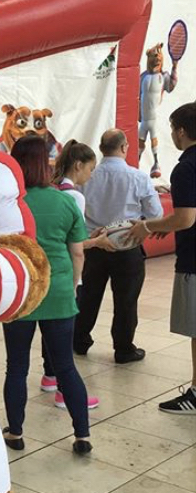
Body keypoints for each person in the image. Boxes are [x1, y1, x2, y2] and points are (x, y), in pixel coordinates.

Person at [2, 135, 93, 454]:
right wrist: (73, 285)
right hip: (58, 292)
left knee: (16, 367)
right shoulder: (65, 201)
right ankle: (82, 435)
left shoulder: (9, 204)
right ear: (47, 163)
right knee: (65, 366)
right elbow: (78, 253)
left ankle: (15, 433)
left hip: (19, 294)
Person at [127, 102, 196, 414]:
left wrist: (148, 227)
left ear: (181, 131)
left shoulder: (186, 167)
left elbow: (184, 219)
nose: (170, 135)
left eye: (171, 129)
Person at [74, 129, 163, 363]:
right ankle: (123, 349)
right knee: (126, 300)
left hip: (93, 244)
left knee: (88, 296)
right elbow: (156, 214)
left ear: (102, 149)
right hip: (127, 247)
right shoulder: (140, 177)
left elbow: (75, 212)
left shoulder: (87, 176)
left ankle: (79, 341)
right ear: (124, 147)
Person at [39, 140, 116, 406]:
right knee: (63, 333)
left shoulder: (49, 190)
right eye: (91, 169)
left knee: (47, 326)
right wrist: (97, 242)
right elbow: (76, 246)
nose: (91, 175)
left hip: (45, 271)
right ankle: (65, 391)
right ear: (78, 165)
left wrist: (88, 237)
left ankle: (49, 376)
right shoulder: (75, 196)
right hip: (67, 273)